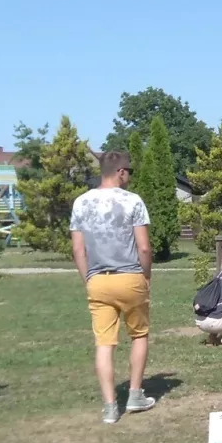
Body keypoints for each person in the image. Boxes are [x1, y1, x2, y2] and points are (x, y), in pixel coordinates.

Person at [70, 151, 157, 425]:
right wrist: (146, 275)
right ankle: (135, 395)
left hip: (98, 279)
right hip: (130, 276)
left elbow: (78, 250)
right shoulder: (133, 201)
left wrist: (88, 279)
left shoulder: (81, 202)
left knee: (104, 344)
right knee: (139, 335)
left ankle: (109, 407)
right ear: (120, 172)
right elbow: (144, 247)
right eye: (129, 171)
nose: (129, 176)